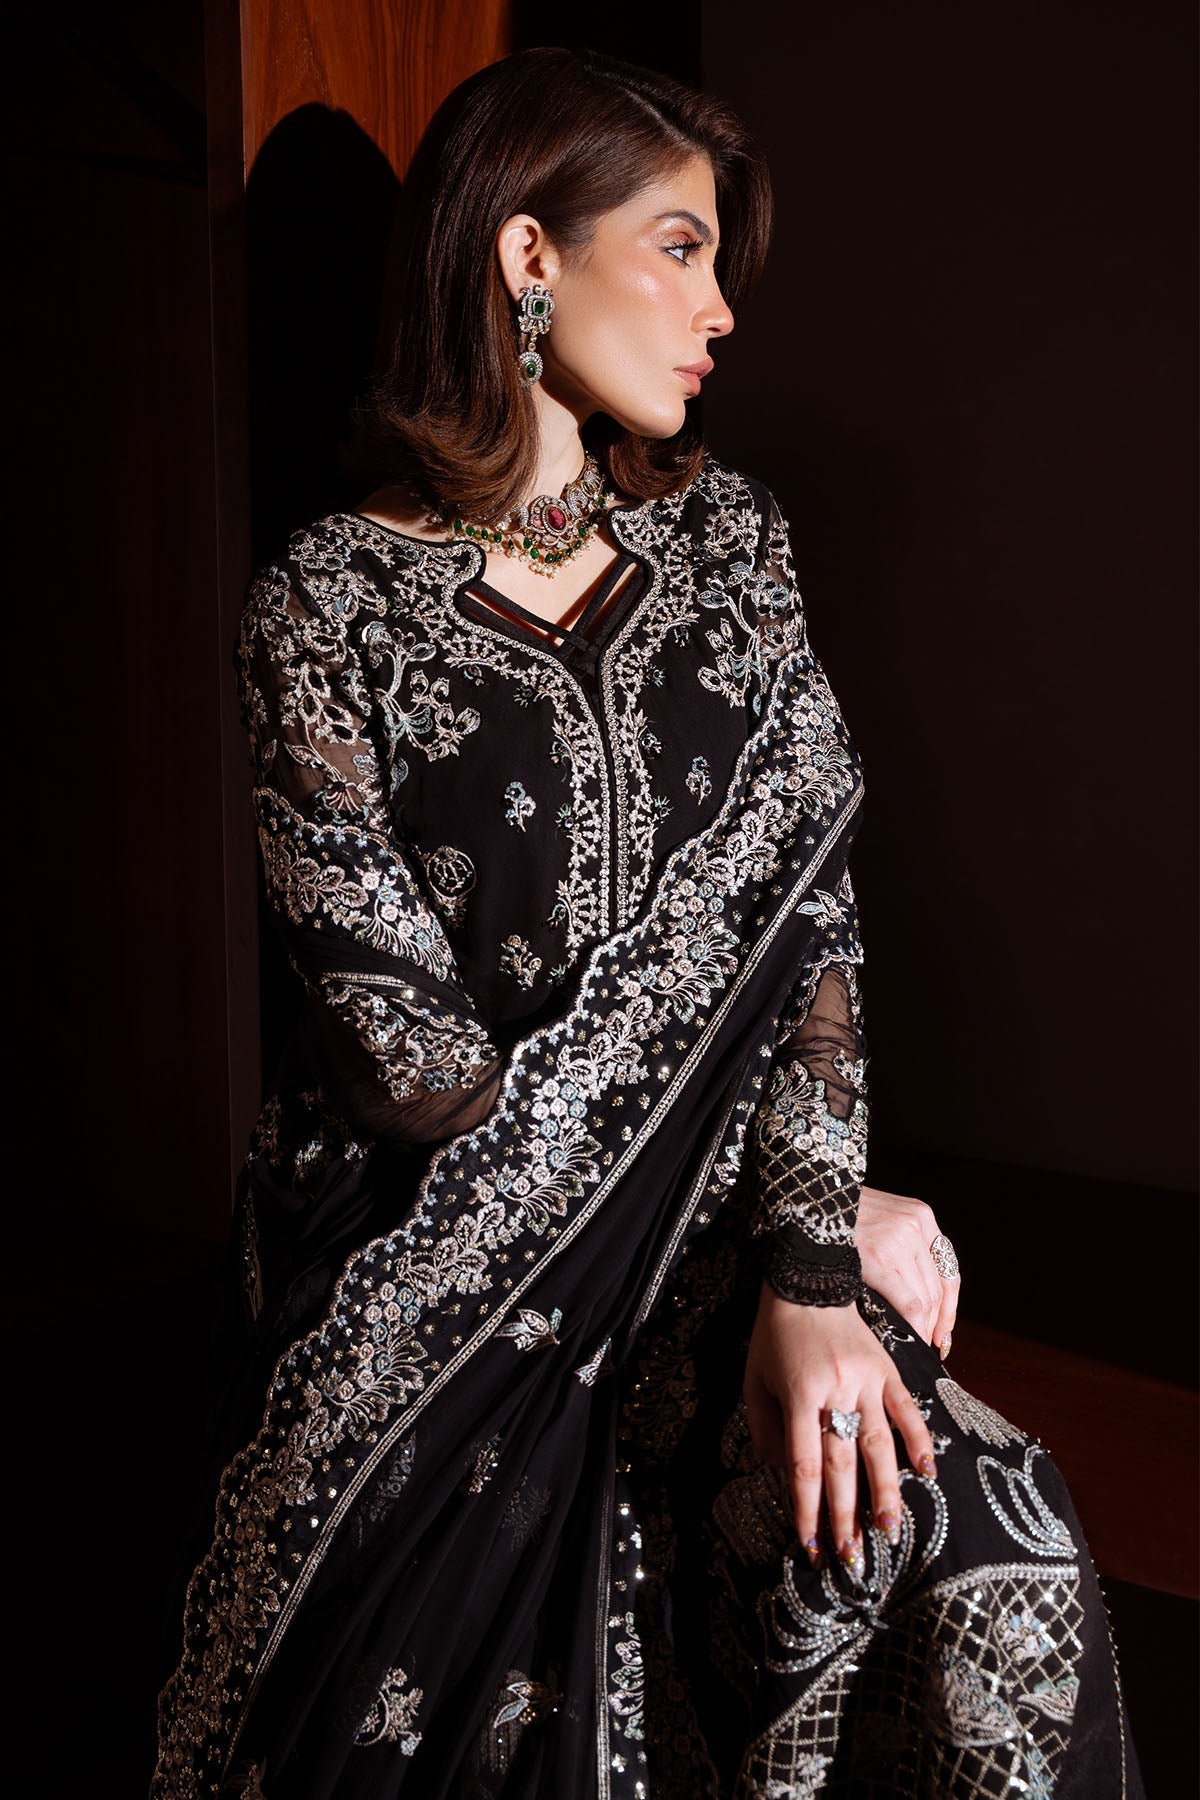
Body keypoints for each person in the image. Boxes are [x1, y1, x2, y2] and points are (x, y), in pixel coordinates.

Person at [152, 44, 1144, 1800]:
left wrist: (808, 1262)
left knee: (985, 1537)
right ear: (529, 256)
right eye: (680, 248)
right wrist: (792, 1225)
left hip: (719, 1252)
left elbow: (814, 945)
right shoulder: (330, 605)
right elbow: (408, 1068)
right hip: (429, 1294)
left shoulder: (733, 549)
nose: (721, 311)